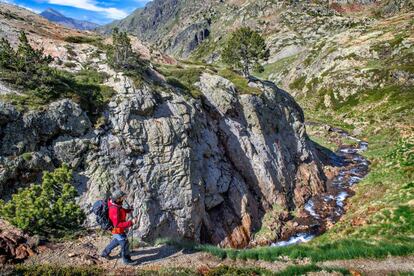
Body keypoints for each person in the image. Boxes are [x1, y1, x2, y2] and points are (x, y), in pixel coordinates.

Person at [101, 189, 138, 265]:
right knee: (125, 242)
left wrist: (128, 210)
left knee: (117, 240)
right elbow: (117, 224)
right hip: (116, 229)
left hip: (116, 229)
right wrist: (131, 222)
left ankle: (105, 253)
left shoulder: (115, 204)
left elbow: (120, 210)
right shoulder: (114, 209)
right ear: (117, 199)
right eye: (122, 197)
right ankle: (126, 260)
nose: (123, 199)